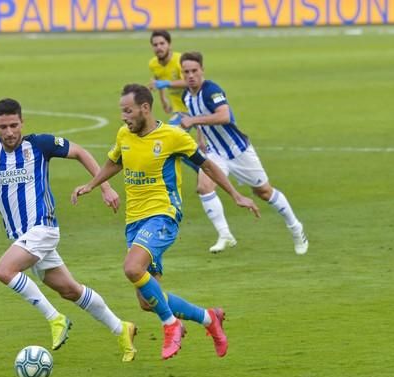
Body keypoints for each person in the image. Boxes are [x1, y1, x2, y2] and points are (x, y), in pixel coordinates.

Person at [72, 84, 260, 360]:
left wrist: (235, 194)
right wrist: (92, 184)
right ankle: (210, 319)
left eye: (128, 111)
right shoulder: (124, 133)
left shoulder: (173, 136)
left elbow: (206, 165)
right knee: (149, 300)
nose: (124, 117)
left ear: (145, 108)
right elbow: (116, 161)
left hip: (163, 214)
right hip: (134, 220)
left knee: (132, 268)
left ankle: (171, 325)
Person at [0, 98, 137, 362]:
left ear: (22, 122)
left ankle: (56, 318)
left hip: (43, 228)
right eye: (3, 127)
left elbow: (80, 152)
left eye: (14, 125)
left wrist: (104, 187)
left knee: (4, 271)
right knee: (69, 290)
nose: (9, 132)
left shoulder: (39, 144)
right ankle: (122, 329)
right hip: (22, 237)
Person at [179, 51, 309, 255]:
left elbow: (224, 116)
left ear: (202, 70)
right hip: (215, 153)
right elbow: (198, 117)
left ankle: (295, 227)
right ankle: (225, 235)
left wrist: (194, 122)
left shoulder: (211, 90)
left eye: (194, 71)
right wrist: (201, 137)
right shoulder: (186, 96)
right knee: (204, 187)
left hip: (238, 151)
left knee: (264, 192)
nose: (190, 75)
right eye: (186, 72)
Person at [147, 30, 236, 254]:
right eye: (155, 44)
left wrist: (166, 85)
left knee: (169, 142)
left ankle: (205, 168)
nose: (159, 47)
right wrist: (164, 100)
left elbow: (187, 84)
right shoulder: (153, 64)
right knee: (175, 148)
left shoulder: (180, 61)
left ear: (169, 44)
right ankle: (204, 168)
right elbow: (159, 83)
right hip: (179, 111)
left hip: (192, 110)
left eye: (162, 43)